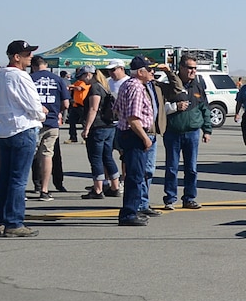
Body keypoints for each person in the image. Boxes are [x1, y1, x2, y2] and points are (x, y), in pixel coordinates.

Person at [0, 40, 45, 237]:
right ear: (16, 57)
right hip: (22, 129)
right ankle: (14, 222)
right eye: (27, 53)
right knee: (18, 180)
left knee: (5, 179)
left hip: (5, 130)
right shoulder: (20, 76)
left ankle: (3, 221)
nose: (30, 57)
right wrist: (42, 113)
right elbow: (32, 105)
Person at [113, 55, 162, 226]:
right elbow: (133, 118)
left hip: (126, 134)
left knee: (134, 175)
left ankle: (131, 210)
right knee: (135, 176)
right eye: (149, 70)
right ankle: (129, 213)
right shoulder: (137, 88)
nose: (152, 72)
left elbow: (117, 109)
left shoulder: (126, 84)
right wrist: (144, 138)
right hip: (134, 136)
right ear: (140, 72)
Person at [158, 57, 210, 210]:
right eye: (189, 68)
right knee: (172, 168)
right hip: (173, 133)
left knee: (191, 168)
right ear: (181, 68)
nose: (193, 71)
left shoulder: (198, 87)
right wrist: (175, 106)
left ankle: (189, 198)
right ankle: (170, 198)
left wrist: (207, 130)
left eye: (195, 68)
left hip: (192, 133)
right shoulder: (171, 86)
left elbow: (204, 109)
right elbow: (161, 108)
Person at [28, 53, 68, 201]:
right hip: (52, 122)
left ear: (33, 66)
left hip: (34, 121)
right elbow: (66, 104)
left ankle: (24, 187)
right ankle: (44, 190)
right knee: (47, 155)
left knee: (29, 154)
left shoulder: (30, 79)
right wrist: (57, 112)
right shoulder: (57, 79)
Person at [82, 63, 120, 197]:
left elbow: (93, 109)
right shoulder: (106, 87)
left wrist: (86, 128)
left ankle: (98, 189)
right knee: (107, 157)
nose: (82, 80)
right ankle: (115, 187)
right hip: (109, 126)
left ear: (89, 74)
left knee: (96, 158)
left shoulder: (95, 88)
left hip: (98, 127)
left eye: (82, 76)